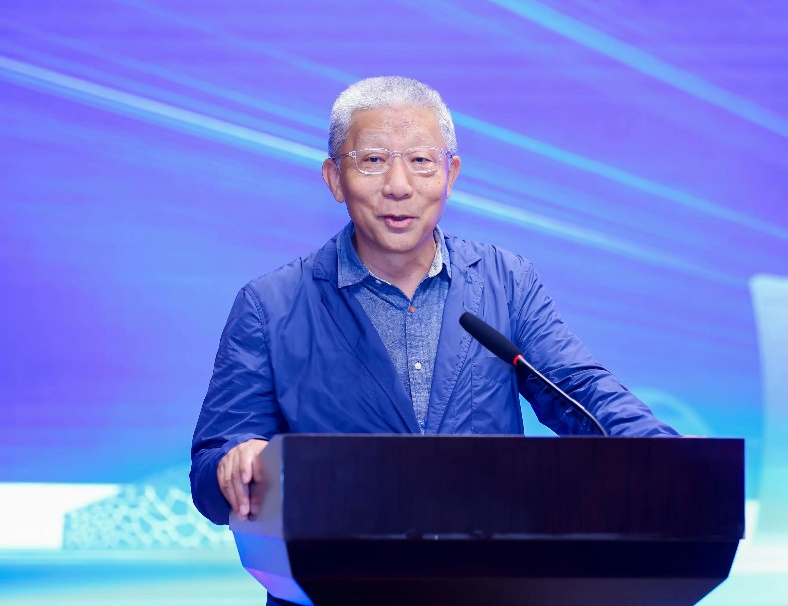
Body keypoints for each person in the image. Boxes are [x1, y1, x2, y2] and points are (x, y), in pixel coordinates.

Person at [191, 76, 678, 530]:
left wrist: (668, 454)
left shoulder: (506, 281)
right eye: (373, 160)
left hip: (488, 575)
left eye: (421, 160)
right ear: (335, 178)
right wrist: (237, 461)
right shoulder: (269, 307)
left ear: (450, 174)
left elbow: (579, 391)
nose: (398, 186)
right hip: (341, 574)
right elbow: (211, 472)